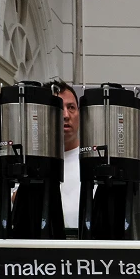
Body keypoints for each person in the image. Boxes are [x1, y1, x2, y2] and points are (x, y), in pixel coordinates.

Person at [44, 78, 81, 231]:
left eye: (71, 107)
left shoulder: (94, 160)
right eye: (59, 107)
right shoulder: (30, 162)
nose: (65, 115)